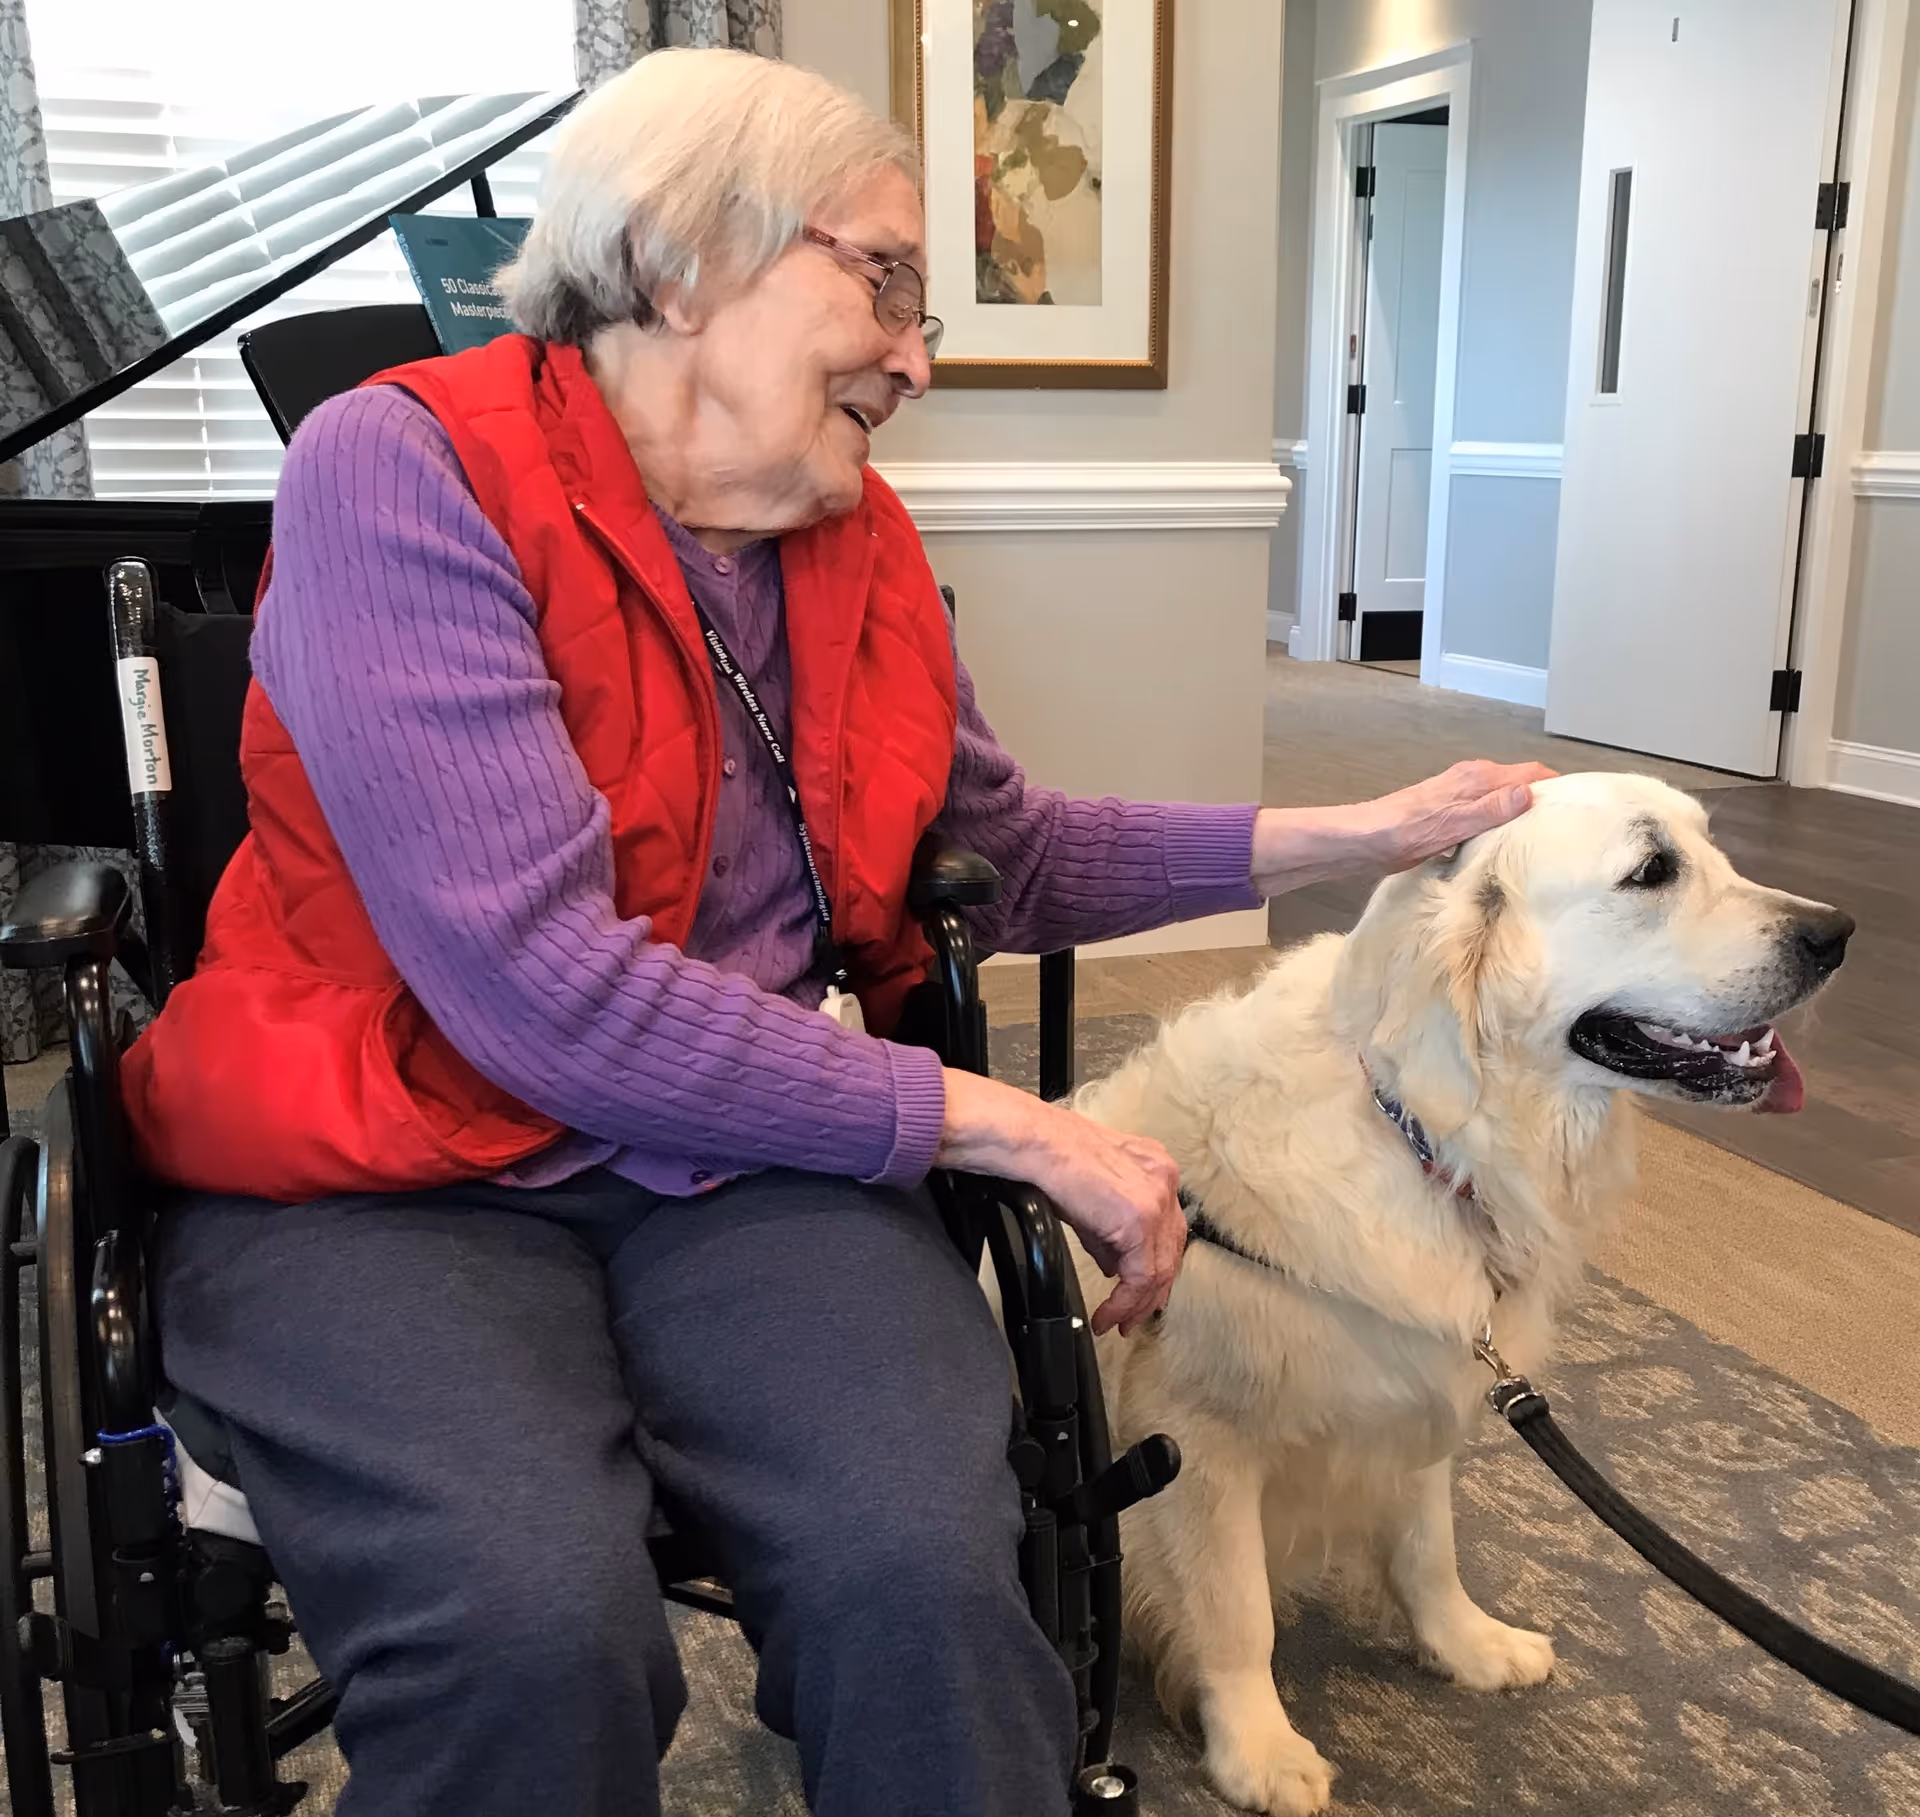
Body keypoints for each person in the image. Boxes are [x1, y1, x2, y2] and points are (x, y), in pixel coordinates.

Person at [128, 47, 1551, 1817]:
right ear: (673, 258)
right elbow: (541, 993)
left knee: (927, 1577)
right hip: (385, 1169)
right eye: (883, 280)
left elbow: (999, 855)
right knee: (529, 1620)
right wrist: (1011, 1125)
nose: (919, 357)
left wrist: (1360, 830)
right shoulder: (401, 471)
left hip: (740, 1167)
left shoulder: (849, 535)